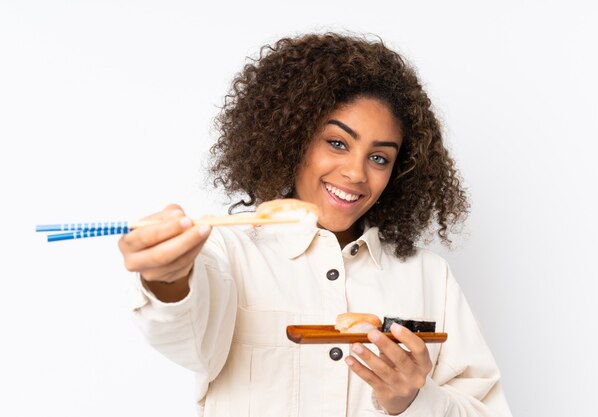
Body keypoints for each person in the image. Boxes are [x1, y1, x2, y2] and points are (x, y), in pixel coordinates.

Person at [119, 33, 513, 417]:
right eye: (337, 143)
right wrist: (166, 279)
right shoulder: (226, 252)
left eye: (379, 158)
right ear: (292, 139)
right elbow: (182, 334)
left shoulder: (428, 276)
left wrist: (413, 402)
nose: (356, 173)